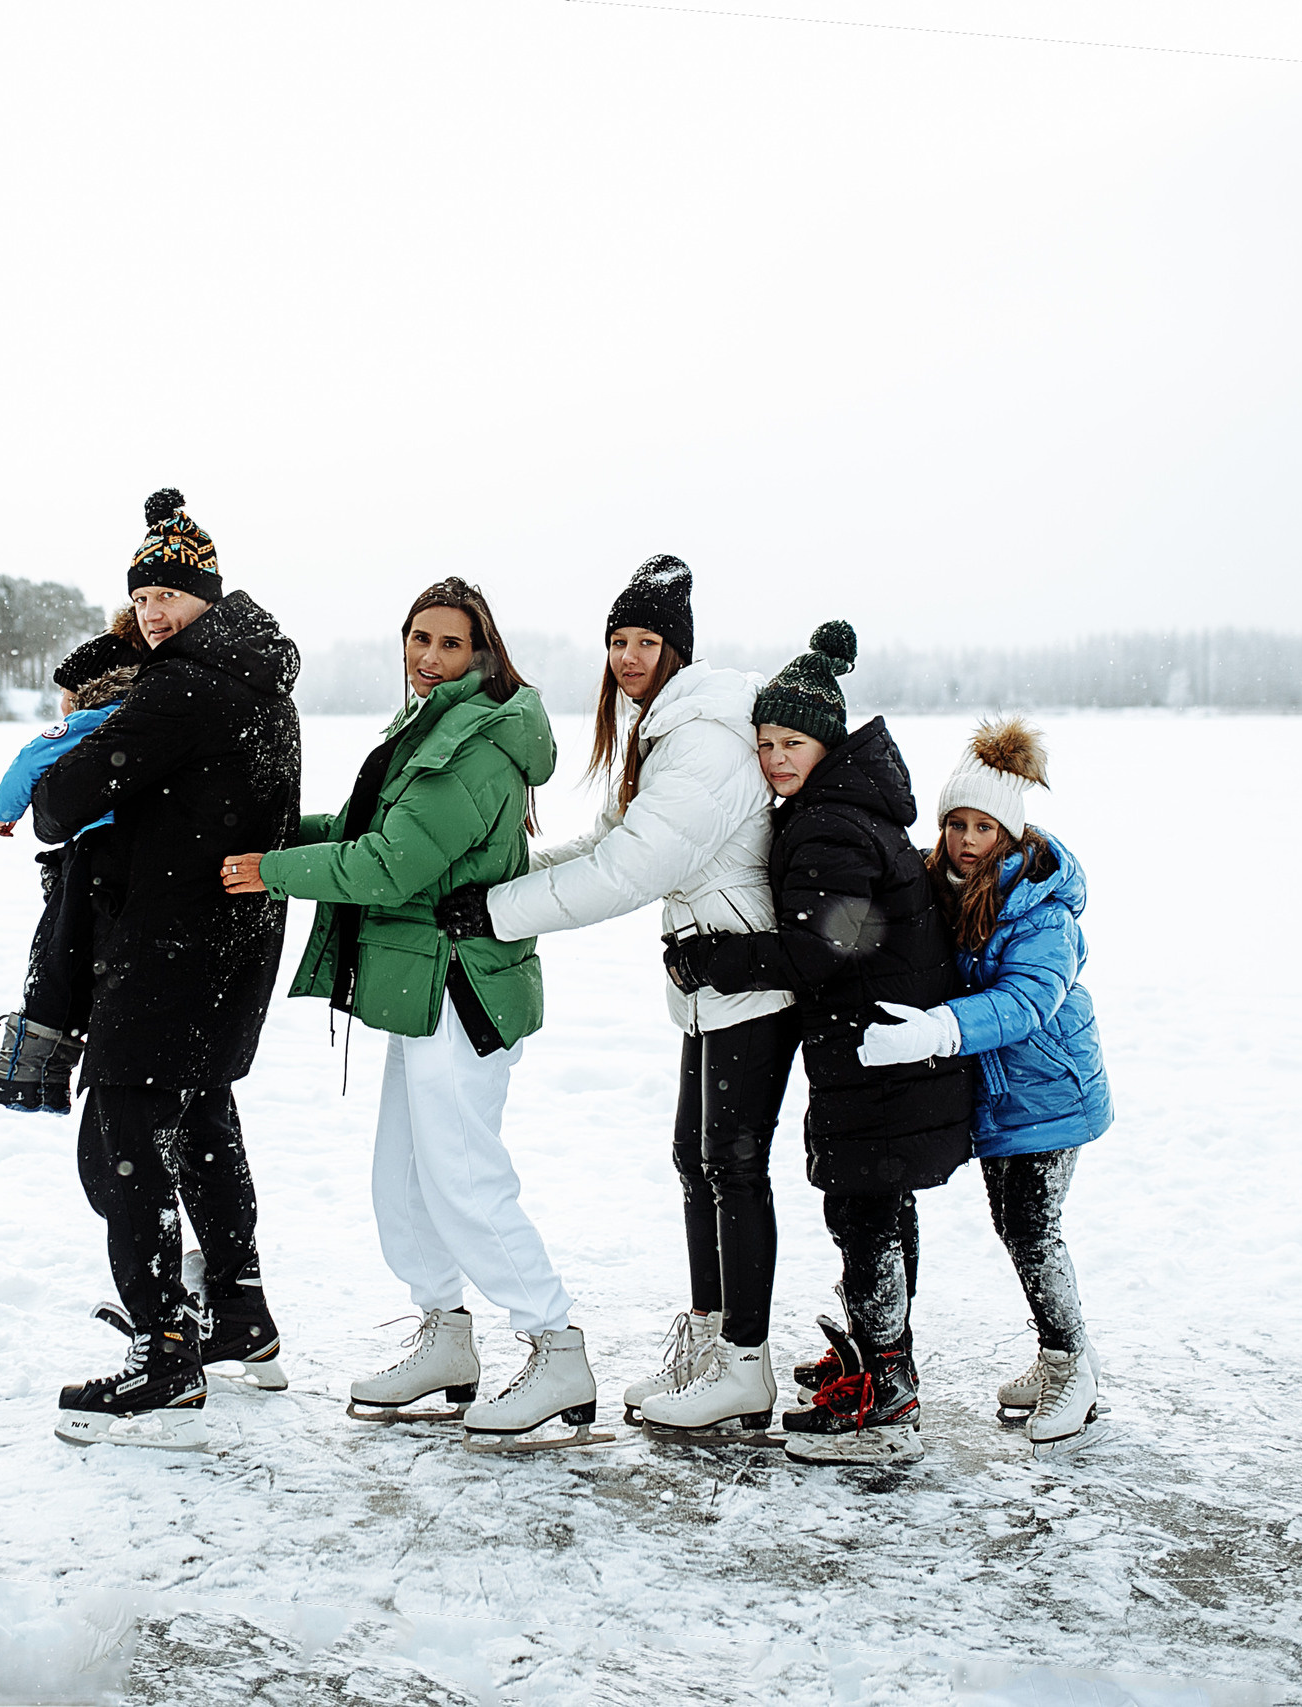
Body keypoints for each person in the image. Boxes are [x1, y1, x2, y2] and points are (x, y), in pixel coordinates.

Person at [222, 579, 586, 1448]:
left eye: (450, 644)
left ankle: (556, 1343)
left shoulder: (480, 744)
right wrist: (262, 836)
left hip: (464, 988)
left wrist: (269, 871)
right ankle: (447, 1339)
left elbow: (390, 864)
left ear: (482, 654)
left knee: (463, 1179)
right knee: (404, 1181)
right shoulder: (429, 724)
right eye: (418, 637)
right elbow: (357, 826)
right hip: (424, 988)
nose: (428, 656)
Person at [437, 554, 795, 1437]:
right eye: (617, 641)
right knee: (698, 1160)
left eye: (645, 641)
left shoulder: (704, 738)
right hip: (712, 978)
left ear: (678, 649)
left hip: (751, 976)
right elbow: (606, 840)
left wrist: (496, 911)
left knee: (733, 1167)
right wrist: (504, 874)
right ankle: (713, 1343)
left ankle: (745, 1363)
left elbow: (631, 870)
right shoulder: (662, 726)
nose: (628, 657)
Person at [30, 489, 304, 1451]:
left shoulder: (185, 686)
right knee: (203, 1124)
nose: (152, 612)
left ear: (207, 596)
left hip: (167, 949)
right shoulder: (261, 676)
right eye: (140, 595)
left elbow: (65, 799)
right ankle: (238, 1312)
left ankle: (164, 1352)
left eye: (169, 595)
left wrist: (65, 768)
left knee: (126, 1144)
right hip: (230, 946)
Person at [660, 623, 974, 1461]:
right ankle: (880, 1358)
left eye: (791, 741)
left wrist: (709, 959)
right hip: (885, 1051)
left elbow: (821, 947)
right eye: (763, 742)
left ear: (826, 740)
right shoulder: (846, 806)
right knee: (878, 1207)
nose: (773, 758)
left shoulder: (830, 823)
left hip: (877, 1055)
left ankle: (884, 1402)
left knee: (865, 1209)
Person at [854, 718, 1112, 1452]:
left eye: (983, 826)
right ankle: (1059, 1352)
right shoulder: (945, 883)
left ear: (1012, 830)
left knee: (1032, 1227)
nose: (966, 839)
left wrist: (940, 1028)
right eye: (956, 823)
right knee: (1014, 1222)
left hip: (1051, 1092)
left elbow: (1028, 1001)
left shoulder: (1040, 906)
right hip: (1001, 1097)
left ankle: (1073, 1365)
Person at [0, 610, 146, 1113]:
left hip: (88, 854)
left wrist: (4, 812)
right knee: (76, 964)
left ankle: (25, 1076)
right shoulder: (149, 721)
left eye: (65, 693)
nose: (59, 703)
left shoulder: (90, 720)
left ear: (89, 689)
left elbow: (30, 760)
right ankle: (42, 1077)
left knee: (53, 960)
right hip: (130, 860)